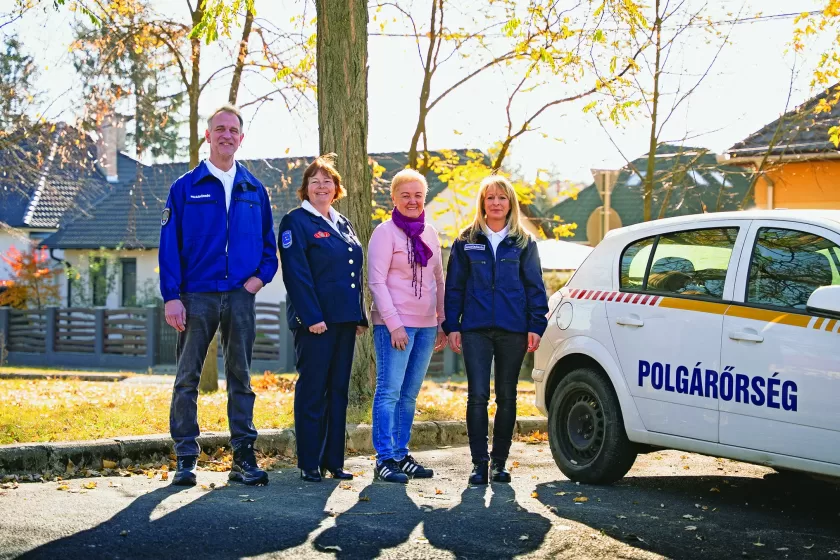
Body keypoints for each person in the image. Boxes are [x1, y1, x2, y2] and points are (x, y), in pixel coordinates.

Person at [159, 104, 278, 487]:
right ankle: (186, 458)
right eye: (220, 129)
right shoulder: (184, 187)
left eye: (233, 130)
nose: (227, 135)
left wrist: (257, 281)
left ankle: (243, 456)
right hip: (196, 296)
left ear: (241, 139)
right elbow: (168, 247)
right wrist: (171, 296)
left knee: (241, 378)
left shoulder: (254, 189)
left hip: (240, 295)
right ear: (207, 136)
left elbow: (268, 247)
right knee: (186, 377)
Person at [443, 175, 548, 485]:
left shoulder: (524, 242)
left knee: (507, 396)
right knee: (476, 396)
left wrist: (536, 325)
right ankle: (479, 464)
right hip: (474, 329)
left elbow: (535, 287)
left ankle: (500, 463)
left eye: (502, 198)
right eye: (490, 198)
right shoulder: (465, 240)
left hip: (513, 329)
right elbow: (454, 288)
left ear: (510, 203)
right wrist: (452, 326)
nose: (496, 203)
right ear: (482, 203)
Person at [278, 154, 368, 483]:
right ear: (305, 189)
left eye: (327, 181)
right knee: (313, 391)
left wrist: (359, 316)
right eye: (314, 181)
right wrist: (311, 316)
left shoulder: (342, 223)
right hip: (315, 323)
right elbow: (296, 274)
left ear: (336, 188)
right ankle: (309, 461)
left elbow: (353, 273)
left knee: (339, 391)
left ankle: (334, 461)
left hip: (344, 322)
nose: (321, 186)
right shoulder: (295, 222)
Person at [368, 169, 448, 484]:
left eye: (418, 195)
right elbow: (376, 280)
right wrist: (393, 324)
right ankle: (384, 458)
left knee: (410, 394)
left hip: (427, 326)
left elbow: (439, 279)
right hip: (395, 326)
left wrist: (442, 320)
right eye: (406, 195)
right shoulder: (384, 233)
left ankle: (401, 454)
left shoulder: (430, 233)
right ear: (394, 198)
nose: (412, 200)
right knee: (389, 391)